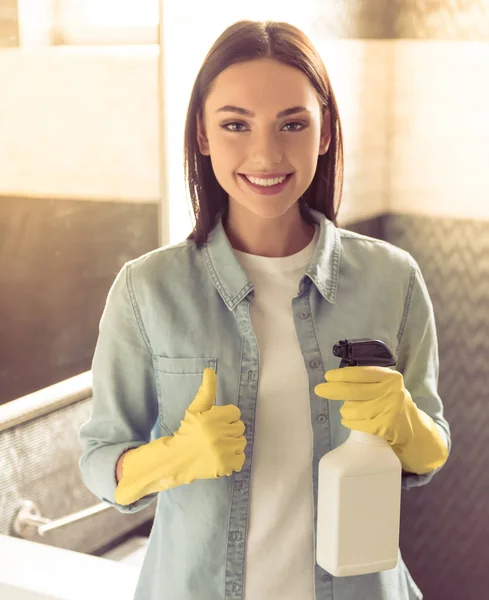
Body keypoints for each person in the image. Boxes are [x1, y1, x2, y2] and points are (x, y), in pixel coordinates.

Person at [78, 19, 450, 600]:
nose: (265, 153)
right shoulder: (147, 289)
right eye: (235, 124)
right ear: (202, 134)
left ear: (324, 132)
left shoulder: (392, 279)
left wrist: (401, 417)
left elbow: (430, 452)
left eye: (292, 124)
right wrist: (174, 457)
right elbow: (100, 460)